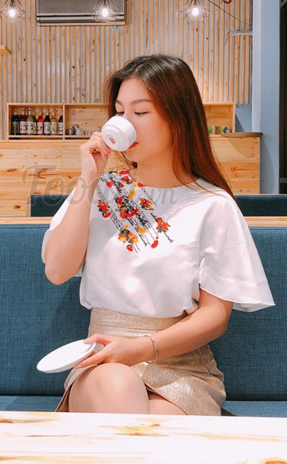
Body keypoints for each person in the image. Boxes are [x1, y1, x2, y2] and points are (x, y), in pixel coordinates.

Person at [41, 54, 274, 415]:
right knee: (118, 387)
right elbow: (57, 271)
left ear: (178, 118)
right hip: (104, 361)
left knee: (159, 431)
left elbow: (215, 316)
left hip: (181, 367)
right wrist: (88, 179)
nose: (124, 122)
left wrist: (143, 347)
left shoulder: (213, 205)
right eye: (120, 111)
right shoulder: (100, 189)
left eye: (140, 112)